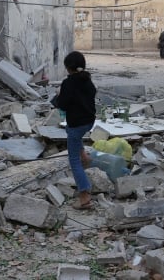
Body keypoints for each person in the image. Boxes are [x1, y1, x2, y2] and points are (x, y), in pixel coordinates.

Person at [52, 51, 96, 210]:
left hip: (77, 124)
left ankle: (84, 196)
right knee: (74, 133)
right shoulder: (88, 80)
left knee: (74, 162)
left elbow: (62, 105)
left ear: (68, 68)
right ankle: (84, 155)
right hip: (89, 121)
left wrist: (59, 96)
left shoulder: (68, 83)